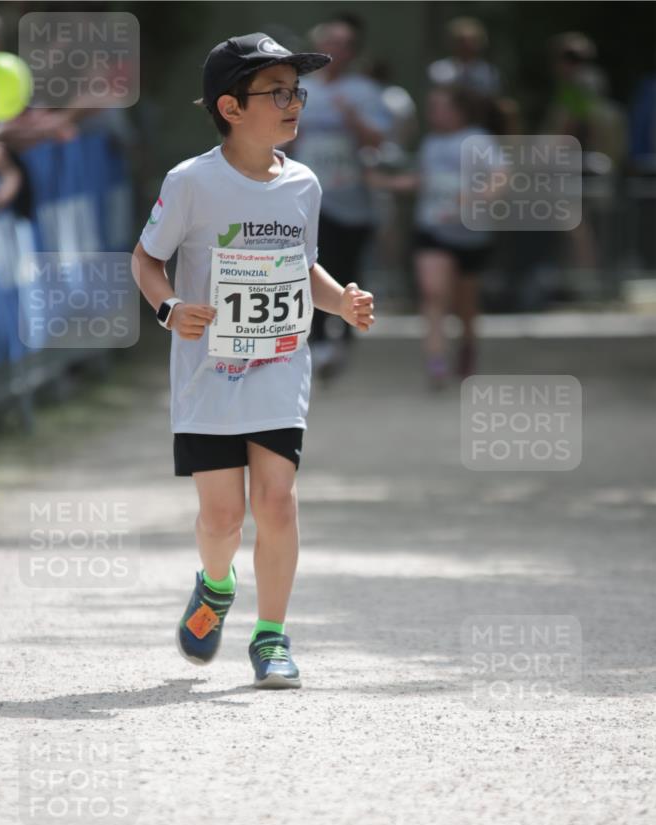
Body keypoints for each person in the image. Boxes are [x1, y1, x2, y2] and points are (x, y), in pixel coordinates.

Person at [131, 32, 374, 689]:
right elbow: (146, 258)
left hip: (278, 365)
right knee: (221, 519)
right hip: (210, 373)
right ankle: (214, 585)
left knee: (277, 504)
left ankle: (271, 637)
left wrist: (340, 303)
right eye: (278, 92)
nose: (294, 102)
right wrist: (169, 308)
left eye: (297, 90)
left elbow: (304, 269)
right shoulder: (191, 182)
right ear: (232, 108)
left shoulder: (304, 183)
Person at [368, 84, 499, 386]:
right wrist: (387, 183)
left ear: (459, 110)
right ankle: (436, 360)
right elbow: (423, 180)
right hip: (432, 229)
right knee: (433, 292)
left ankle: (467, 345)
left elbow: (501, 175)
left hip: (470, 235)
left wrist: (478, 197)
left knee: (464, 303)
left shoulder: (478, 139)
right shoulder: (430, 144)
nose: (433, 113)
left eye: (440, 106)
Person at [291, 16, 391, 378]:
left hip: (353, 198)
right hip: (309, 196)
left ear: (354, 51)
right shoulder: (299, 87)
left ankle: (344, 337)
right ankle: (318, 338)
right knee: (311, 264)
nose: (336, 49)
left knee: (348, 268)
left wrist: (352, 119)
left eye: (345, 43)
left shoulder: (365, 92)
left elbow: (378, 141)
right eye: (330, 41)